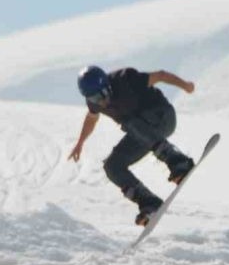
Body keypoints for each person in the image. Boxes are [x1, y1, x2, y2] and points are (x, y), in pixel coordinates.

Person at [68, 65, 197, 226]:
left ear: (108, 84)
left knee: (130, 122)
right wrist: (80, 142)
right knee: (112, 166)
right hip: (142, 134)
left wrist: (186, 86)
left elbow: (161, 75)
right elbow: (91, 118)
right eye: (95, 99)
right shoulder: (94, 103)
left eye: (103, 94)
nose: (102, 101)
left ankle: (178, 161)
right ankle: (149, 202)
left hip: (163, 117)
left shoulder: (125, 78)